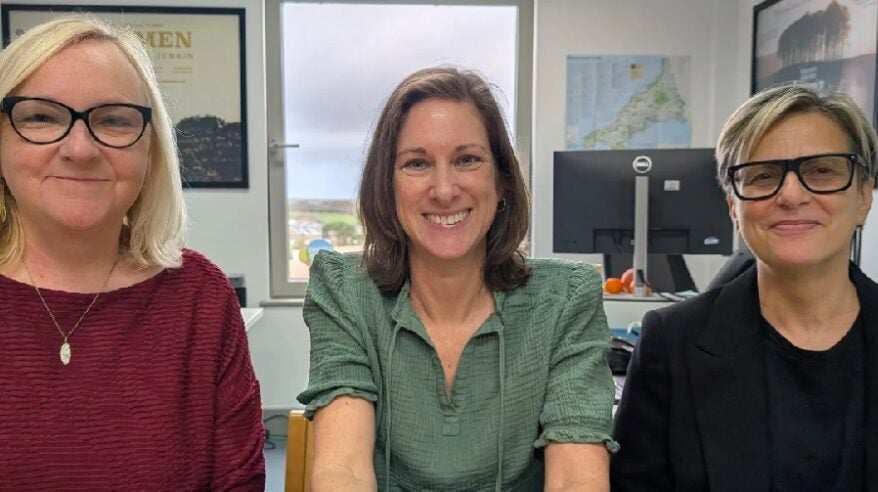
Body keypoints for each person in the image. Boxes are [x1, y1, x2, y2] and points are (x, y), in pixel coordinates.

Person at [297, 67, 615, 491]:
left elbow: (576, 478)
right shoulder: (345, 291)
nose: (444, 190)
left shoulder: (565, 299)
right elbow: (345, 471)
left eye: (467, 160)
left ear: (501, 180)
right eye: (417, 163)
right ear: (387, 186)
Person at [0, 17, 264, 490]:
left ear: (151, 150)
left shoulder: (201, 300)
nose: (79, 148)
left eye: (114, 120)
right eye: (41, 116)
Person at [611, 84, 877, 491]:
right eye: (763, 175)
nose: (791, 194)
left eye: (822, 170)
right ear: (733, 206)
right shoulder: (672, 344)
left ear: (863, 196)